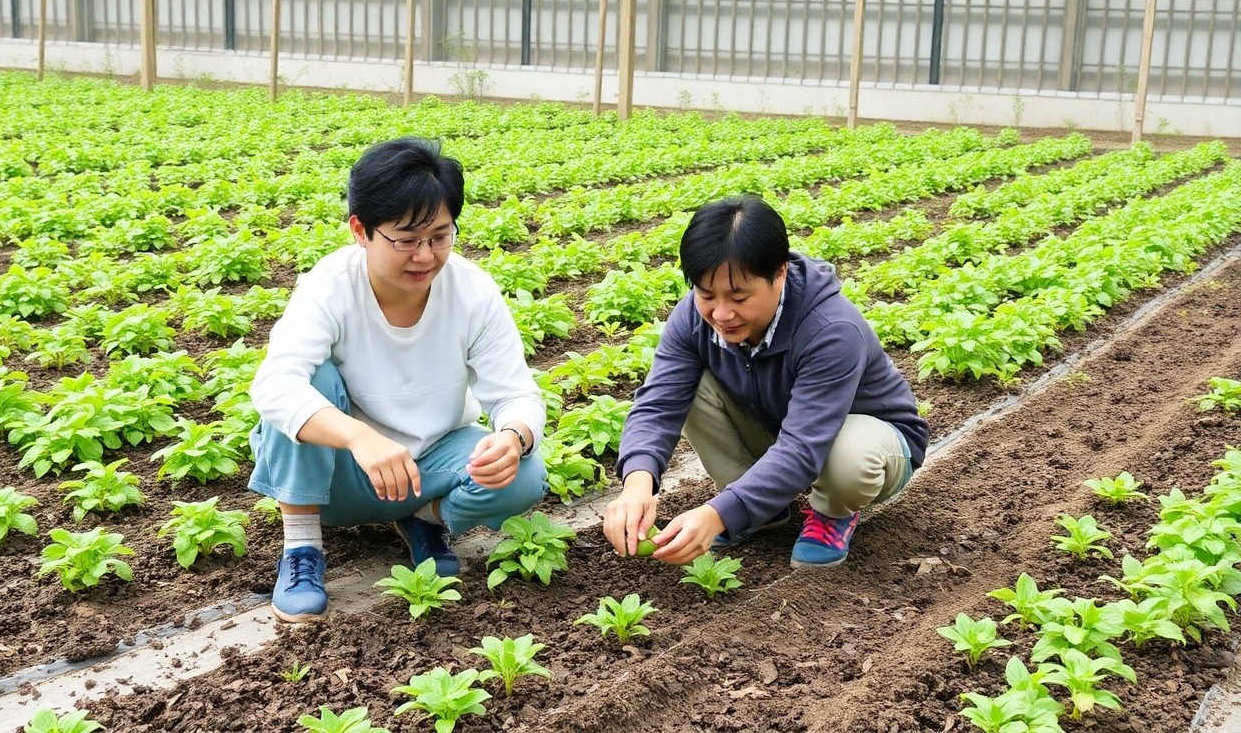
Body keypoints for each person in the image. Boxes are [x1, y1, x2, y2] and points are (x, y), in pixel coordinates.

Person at [248, 137, 548, 622]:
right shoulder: (331, 285)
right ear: (360, 231)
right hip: (338, 475)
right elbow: (274, 386)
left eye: (440, 236)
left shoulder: (472, 290)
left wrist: (513, 437)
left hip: (424, 466)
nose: (425, 256)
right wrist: (359, 437)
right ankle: (302, 549)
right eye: (406, 239)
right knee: (312, 380)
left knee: (527, 474)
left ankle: (423, 519)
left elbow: (517, 393)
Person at [602, 196, 928, 568]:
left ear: (780, 273)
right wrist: (637, 482)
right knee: (691, 389)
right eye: (706, 295)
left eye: (739, 296)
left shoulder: (831, 329)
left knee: (849, 458)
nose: (721, 313)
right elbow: (659, 401)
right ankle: (759, 510)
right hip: (777, 423)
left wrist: (715, 515)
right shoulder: (693, 316)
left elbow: (804, 444)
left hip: (871, 441)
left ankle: (834, 513)